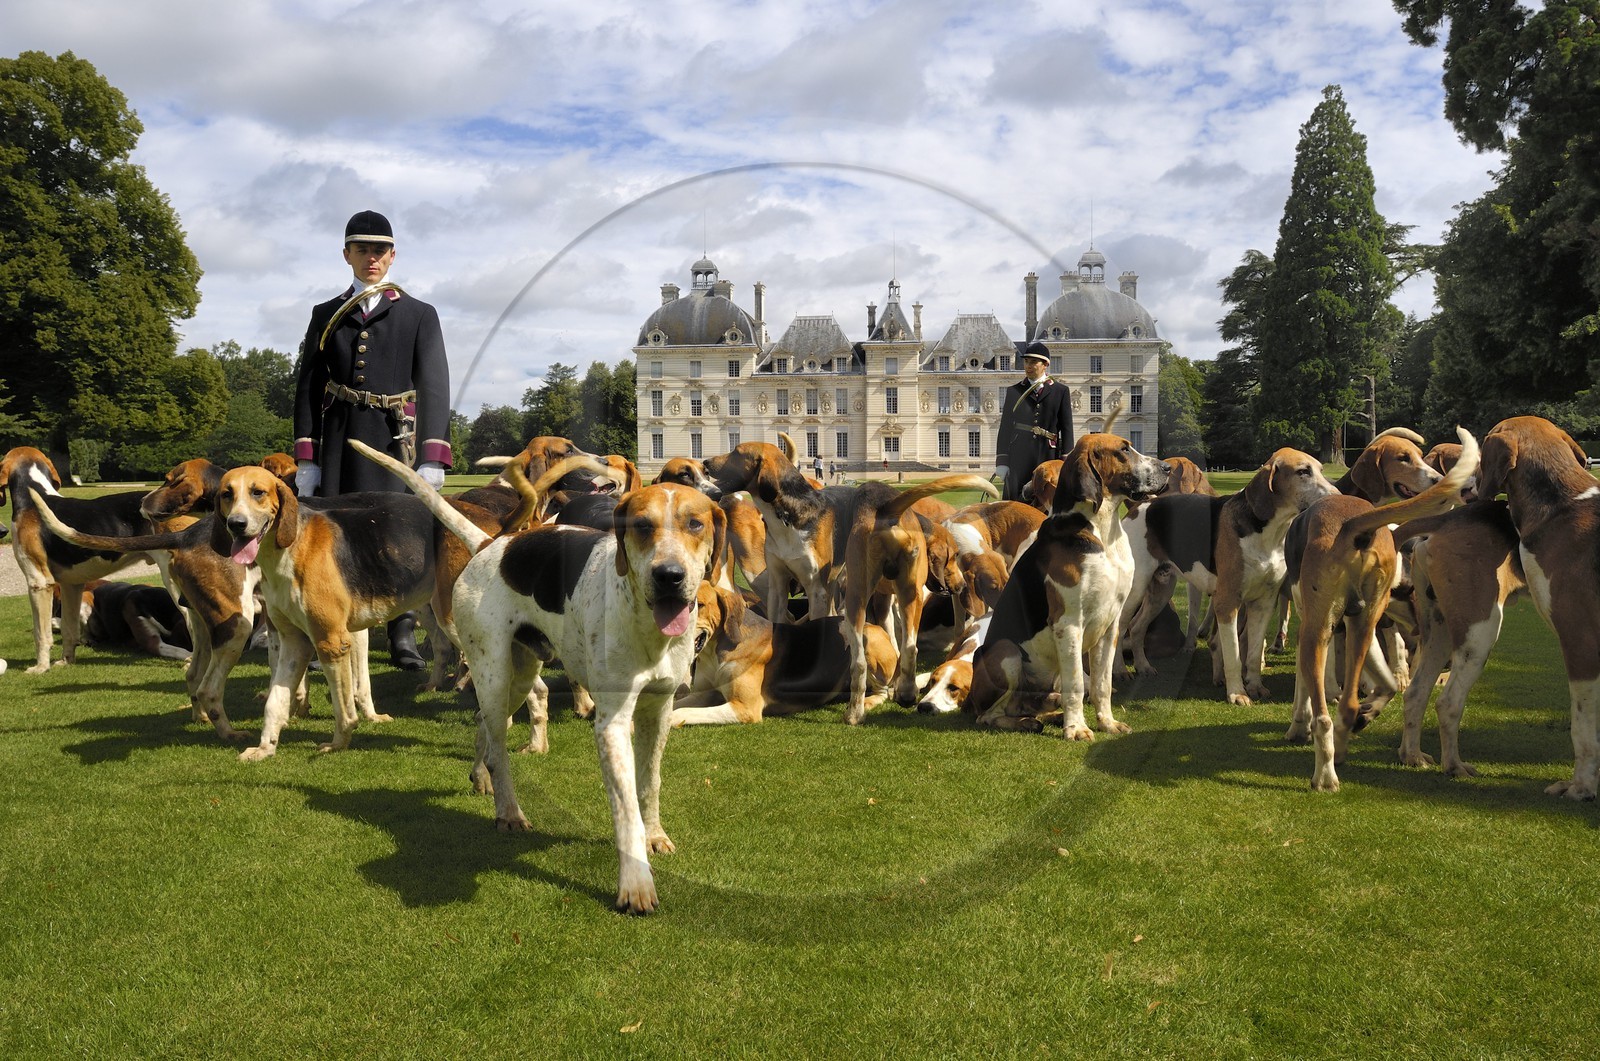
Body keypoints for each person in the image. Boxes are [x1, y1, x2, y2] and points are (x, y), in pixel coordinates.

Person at [292, 210, 452, 670]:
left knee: (397, 536)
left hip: (392, 439)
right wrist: (309, 456)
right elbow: (307, 385)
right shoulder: (326, 315)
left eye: (380, 250)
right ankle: (332, 629)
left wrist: (432, 457)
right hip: (341, 437)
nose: (372, 259)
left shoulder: (419, 314)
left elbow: (434, 385)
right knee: (338, 536)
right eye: (362, 250)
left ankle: (401, 635)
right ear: (347, 254)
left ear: (393, 255)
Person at [994, 341, 1073, 502]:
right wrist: (1002, 460)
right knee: (1015, 503)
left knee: (1048, 502)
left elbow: (1067, 428)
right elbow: (1005, 428)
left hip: (1048, 454)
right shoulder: (1014, 391)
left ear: (1045, 364)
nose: (1028, 366)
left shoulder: (1061, 391)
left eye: (1033, 362)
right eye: (1026, 362)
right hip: (1018, 455)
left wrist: (1066, 460)